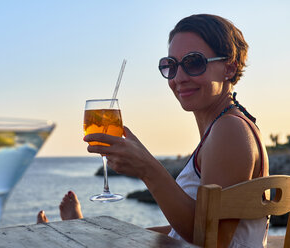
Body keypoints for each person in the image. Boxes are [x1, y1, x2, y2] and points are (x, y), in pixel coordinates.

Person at [38, 14, 269, 247]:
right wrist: (103, 235)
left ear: (229, 68)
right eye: (171, 65)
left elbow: (213, 239)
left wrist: (148, 169)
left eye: (193, 63)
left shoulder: (229, 130)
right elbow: (189, 227)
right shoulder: (226, 127)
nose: (178, 77)